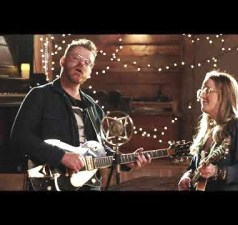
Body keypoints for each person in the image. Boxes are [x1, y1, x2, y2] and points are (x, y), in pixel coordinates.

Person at [10, 38, 151, 191]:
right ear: (63, 61)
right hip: (51, 182)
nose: (81, 64)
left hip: (88, 185)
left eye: (87, 62)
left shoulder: (94, 108)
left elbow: (99, 149)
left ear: (90, 72)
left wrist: (125, 161)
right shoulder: (40, 95)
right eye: (76, 58)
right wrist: (61, 156)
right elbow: (20, 137)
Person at [178, 70, 238, 191]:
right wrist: (186, 176)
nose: (202, 95)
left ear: (224, 95)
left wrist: (217, 172)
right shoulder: (207, 129)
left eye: (207, 90)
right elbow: (194, 167)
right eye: (202, 91)